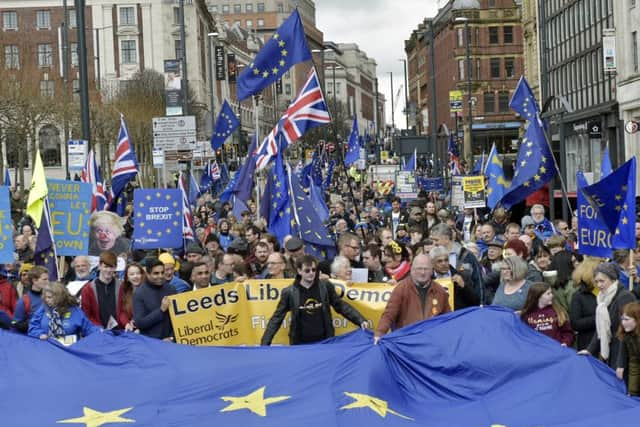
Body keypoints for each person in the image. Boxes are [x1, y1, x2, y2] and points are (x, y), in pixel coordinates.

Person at [261, 255, 369, 346]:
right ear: (299, 271)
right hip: (300, 344)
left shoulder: (325, 287)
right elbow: (277, 318)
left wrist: (360, 320)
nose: (311, 273)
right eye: (307, 270)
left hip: (325, 341)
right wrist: (265, 343)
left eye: (314, 269)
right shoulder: (289, 292)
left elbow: (341, 306)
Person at [374, 253, 450, 343]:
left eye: (426, 269)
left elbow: (448, 318)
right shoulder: (401, 289)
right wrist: (379, 334)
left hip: (431, 343)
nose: (423, 272)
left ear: (432, 271)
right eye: (419, 269)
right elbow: (388, 315)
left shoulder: (440, 291)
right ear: (412, 270)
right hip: (406, 343)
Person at [579, 263, 637, 369]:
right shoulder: (602, 299)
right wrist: (589, 350)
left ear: (613, 279)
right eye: (596, 282)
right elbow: (601, 329)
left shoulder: (624, 297)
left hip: (624, 353)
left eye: (602, 281)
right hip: (612, 351)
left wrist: (620, 364)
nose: (599, 285)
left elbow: (626, 332)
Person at [28, 282, 99, 343]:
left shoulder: (74, 310)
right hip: (48, 347)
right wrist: (39, 334)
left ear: (59, 297)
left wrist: (101, 333)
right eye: (45, 297)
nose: (46, 300)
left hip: (69, 349)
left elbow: (88, 328)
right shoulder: (43, 308)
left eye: (49, 297)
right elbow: (33, 326)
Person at [133, 257, 177, 340]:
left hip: (170, 342)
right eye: (156, 273)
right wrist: (161, 311)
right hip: (150, 344)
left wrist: (172, 338)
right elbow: (140, 323)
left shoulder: (171, 289)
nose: (160, 276)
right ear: (148, 274)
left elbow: (177, 319)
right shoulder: (139, 293)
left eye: (162, 272)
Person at [520, 282, 574, 346]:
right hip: (537, 351)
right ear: (537, 296)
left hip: (557, 350)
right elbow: (523, 335)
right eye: (548, 294)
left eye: (551, 293)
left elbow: (568, 332)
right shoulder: (526, 314)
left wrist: (565, 342)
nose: (552, 295)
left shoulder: (558, 311)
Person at [80, 251, 124, 329]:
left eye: (111, 267)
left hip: (118, 332)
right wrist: (98, 327)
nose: (108, 270)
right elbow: (87, 314)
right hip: (98, 332)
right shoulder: (88, 289)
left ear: (115, 267)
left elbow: (123, 311)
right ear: (100, 266)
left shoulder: (121, 286)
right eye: (105, 266)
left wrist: (126, 323)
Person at [569, 256, 599, 350]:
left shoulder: (608, 292)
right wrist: (599, 318)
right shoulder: (578, 296)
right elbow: (575, 324)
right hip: (588, 344)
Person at [12, 266, 48, 333]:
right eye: (44, 279)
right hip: (33, 339)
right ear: (34, 280)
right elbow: (15, 324)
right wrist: (35, 322)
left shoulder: (51, 297)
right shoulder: (24, 300)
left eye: (47, 279)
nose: (47, 281)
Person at [616, 302, 640, 396]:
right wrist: (632, 391)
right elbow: (634, 362)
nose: (623, 323)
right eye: (622, 319)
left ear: (637, 320)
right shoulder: (627, 334)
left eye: (627, 319)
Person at [117, 263, 146, 332]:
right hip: (130, 329)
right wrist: (126, 323)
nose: (135, 276)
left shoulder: (148, 290)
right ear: (127, 278)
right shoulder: (124, 291)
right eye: (132, 274)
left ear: (142, 275)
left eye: (138, 273)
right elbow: (121, 311)